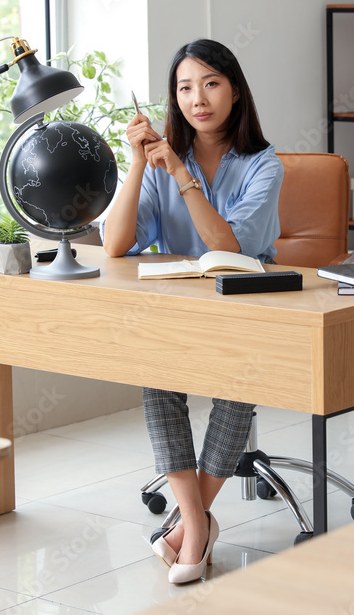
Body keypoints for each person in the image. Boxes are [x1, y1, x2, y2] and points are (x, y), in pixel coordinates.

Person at [101, 39, 283, 584]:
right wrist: (138, 166)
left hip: (248, 305)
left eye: (210, 84)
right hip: (181, 303)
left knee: (236, 385)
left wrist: (181, 172)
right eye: (184, 87)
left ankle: (189, 529)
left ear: (234, 91)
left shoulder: (263, 165)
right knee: (158, 379)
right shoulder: (159, 164)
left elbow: (228, 247)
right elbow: (114, 245)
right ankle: (198, 525)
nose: (196, 98)